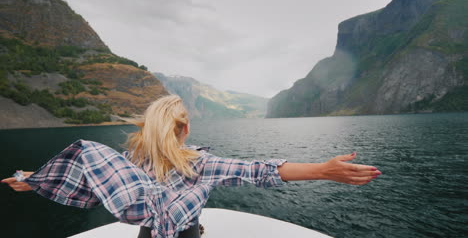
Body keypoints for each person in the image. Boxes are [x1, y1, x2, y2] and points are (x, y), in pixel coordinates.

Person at [1, 95, 381, 238]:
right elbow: (260, 170)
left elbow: (87, 179)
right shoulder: (201, 163)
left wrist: (32, 179)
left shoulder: (131, 163)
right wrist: (323, 169)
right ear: (184, 128)